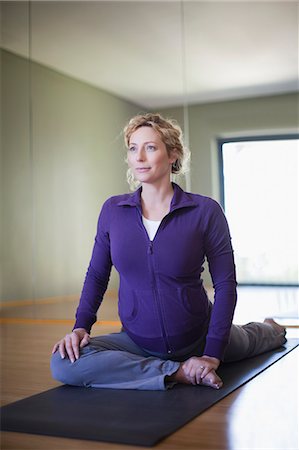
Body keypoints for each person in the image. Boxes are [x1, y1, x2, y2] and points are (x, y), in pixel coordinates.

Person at [51, 113, 286, 391]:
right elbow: (97, 275)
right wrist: (81, 327)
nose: (139, 157)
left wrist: (211, 354)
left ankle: (271, 327)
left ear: (173, 154)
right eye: (133, 148)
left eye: (150, 147)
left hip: (199, 336)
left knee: (257, 338)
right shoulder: (113, 211)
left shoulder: (205, 211)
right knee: (63, 361)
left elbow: (225, 284)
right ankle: (177, 373)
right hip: (138, 342)